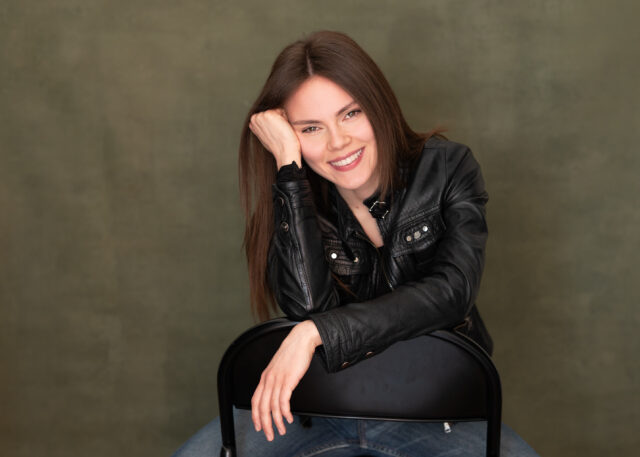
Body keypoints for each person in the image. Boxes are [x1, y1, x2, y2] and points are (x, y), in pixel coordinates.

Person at [172, 30, 538, 456]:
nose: (338, 142)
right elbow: (308, 306)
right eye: (311, 128)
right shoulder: (293, 199)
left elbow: (453, 291)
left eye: (351, 113)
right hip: (319, 407)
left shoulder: (449, 168)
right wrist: (289, 169)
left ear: (378, 105)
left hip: (437, 408)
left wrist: (315, 333)